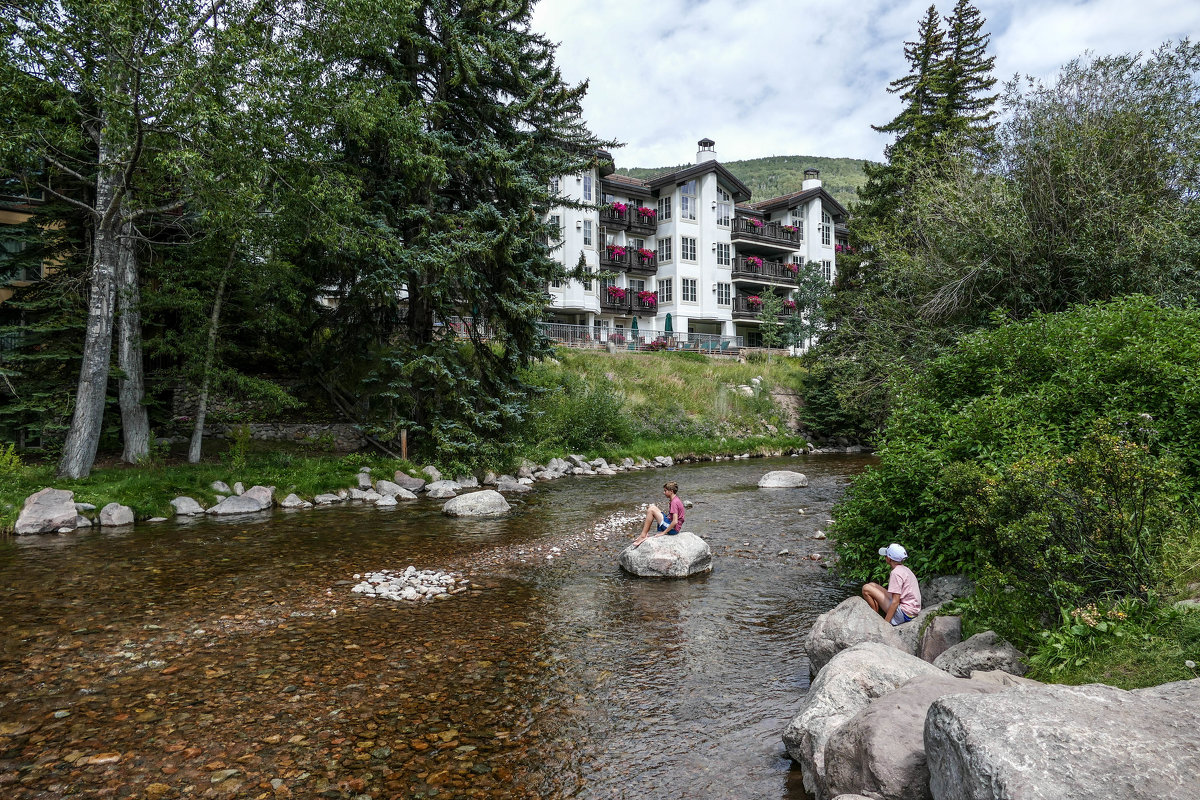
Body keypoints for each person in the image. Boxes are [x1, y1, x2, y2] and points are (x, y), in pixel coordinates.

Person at [861, 542, 922, 626]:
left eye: (886, 555)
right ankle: (876, 613)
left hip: (904, 614)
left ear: (889, 559)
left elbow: (895, 602)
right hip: (912, 610)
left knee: (866, 588)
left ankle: (875, 616)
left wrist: (885, 624)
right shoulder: (905, 569)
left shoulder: (895, 573)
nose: (885, 557)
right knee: (871, 585)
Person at [632, 481, 685, 547]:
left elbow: (675, 521)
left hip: (673, 529)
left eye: (665, 491)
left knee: (651, 510)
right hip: (674, 526)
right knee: (652, 507)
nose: (664, 493)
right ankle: (645, 533)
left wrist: (663, 533)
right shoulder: (676, 499)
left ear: (671, 491)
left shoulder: (674, 502)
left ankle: (643, 535)